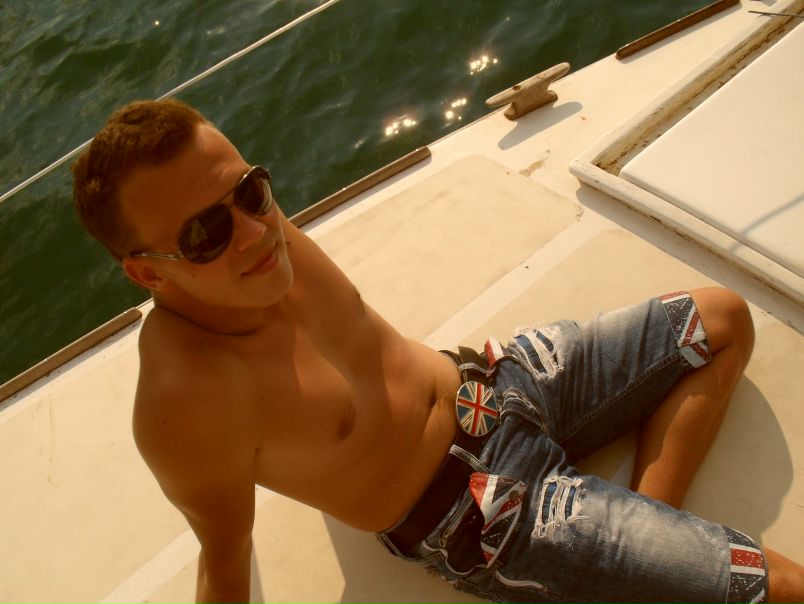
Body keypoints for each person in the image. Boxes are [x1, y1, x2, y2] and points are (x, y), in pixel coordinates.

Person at [71, 98, 804, 604]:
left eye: (252, 191)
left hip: (501, 382)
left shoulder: (249, 231)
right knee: (776, 588)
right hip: (486, 510)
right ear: (148, 273)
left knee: (720, 320)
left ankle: (641, 547)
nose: (256, 231)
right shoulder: (185, 405)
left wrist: (648, 544)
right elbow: (224, 561)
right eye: (204, 234)